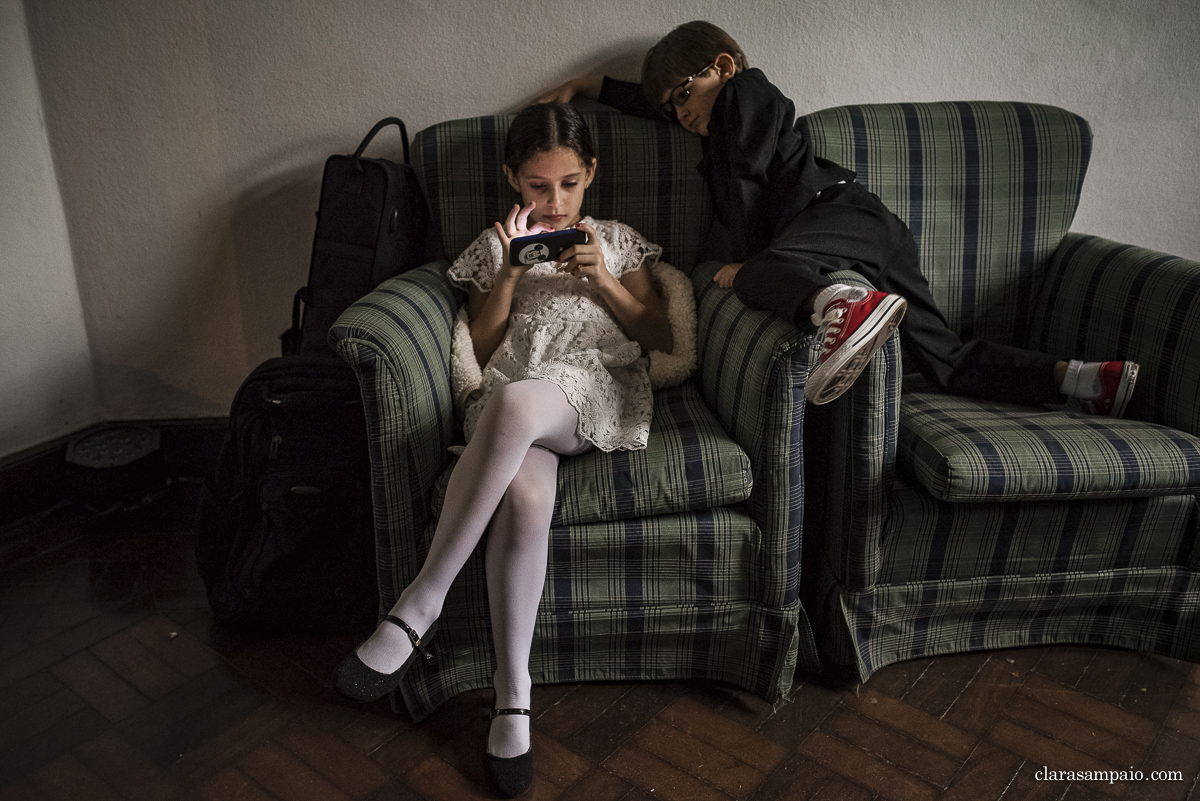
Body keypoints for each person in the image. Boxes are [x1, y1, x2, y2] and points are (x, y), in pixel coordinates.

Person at [535, 21, 1138, 415]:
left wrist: (739, 264)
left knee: (746, 273)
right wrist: (592, 84)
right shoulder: (710, 111)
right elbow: (663, 103)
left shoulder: (749, 94)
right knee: (945, 359)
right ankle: (1079, 379)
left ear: (723, 65)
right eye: (670, 108)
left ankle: (842, 307)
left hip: (840, 214)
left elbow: (743, 176)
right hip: (869, 235)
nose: (679, 116)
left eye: (684, 98)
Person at [333, 102, 671, 798]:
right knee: (522, 490)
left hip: (591, 390)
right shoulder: (497, 245)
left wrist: (602, 275)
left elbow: (659, 334)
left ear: (590, 177)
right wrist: (511, 271)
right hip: (514, 404)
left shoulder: (616, 240)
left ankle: (418, 604)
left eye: (569, 184)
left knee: (520, 401)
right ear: (513, 177)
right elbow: (480, 348)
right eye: (539, 185)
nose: (553, 202)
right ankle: (512, 698)